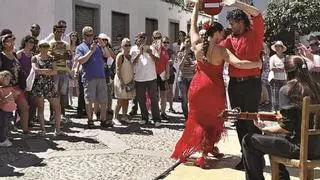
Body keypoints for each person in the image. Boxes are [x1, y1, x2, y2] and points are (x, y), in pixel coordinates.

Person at [171, 0, 262, 168]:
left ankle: (203, 152)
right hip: (215, 89)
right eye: (225, 29)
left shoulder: (197, 45)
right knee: (215, 120)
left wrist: (197, 8)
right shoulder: (223, 48)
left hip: (197, 87)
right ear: (218, 33)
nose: (228, 29)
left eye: (232, 24)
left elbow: (192, 28)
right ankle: (205, 151)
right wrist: (257, 64)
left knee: (197, 120)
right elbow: (239, 64)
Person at [242, 55, 320, 180]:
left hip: (300, 149)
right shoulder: (317, 88)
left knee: (248, 140)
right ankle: (281, 177)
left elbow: (286, 127)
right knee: (272, 137)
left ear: (286, 71)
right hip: (318, 148)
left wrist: (265, 128)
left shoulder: (287, 90)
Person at [219, 0, 265, 170]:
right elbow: (217, 51)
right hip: (234, 85)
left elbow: (257, 14)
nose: (230, 26)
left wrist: (236, 3)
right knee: (238, 120)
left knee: (251, 120)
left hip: (252, 84)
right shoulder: (229, 39)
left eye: (232, 23)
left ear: (241, 22)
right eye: (229, 24)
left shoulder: (255, 33)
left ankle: (256, 157)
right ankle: (245, 156)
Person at [75, 26, 113, 128]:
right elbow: (81, 60)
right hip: (89, 77)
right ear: (83, 36)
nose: (90, 37)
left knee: (103, 100)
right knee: (89, 100)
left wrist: (104, 45)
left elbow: (108, 55)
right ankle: (90, 120)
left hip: (101, 76)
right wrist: (91, 51)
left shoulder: (98, 46)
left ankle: (103, 120)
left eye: (91, 35)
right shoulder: (80, 47)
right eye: (87, 35)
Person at [31, 40, 65, 136]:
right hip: (39, 85)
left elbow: (55, 72)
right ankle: (43, 130)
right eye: (42, 46)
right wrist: (48, 70)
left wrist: (43, 71)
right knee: (41, 108)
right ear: (39, 47)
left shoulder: (52, 58)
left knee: (57, 107)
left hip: (49, 85)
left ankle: (57, 130)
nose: (44, 48)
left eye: (46, 46)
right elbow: (36, 71)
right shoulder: (35, 58)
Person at [0, 33, 29, 134]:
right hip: (7, 89)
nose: (11, 43)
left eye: (12, 41)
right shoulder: (1, 56)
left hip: (17, 87)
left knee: (24, 107)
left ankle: (25, 131)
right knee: (7, 112)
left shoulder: (15, 54)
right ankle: (6, 134)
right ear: (3, 43)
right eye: (8, 41)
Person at [131, 32, 161, 127]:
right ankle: (144, 117)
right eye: (140, 37)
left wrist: (150, 53)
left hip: (151, 78)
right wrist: (139, 53)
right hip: (139, 79)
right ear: (137, 38)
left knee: (154, 99)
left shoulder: (151, 48)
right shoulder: (133, 49)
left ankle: (156, 118)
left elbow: (157, 60)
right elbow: (133, 62)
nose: (142, 39)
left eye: (144, 37)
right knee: (141, 99)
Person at [113, 38, 135, 124]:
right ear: (122, 46)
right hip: (121, 80)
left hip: (129, 81)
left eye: (129, 45)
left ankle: (124, 116)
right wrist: (122, 82)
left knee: (126, 99)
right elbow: (118, 69)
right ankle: (115, 117)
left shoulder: (130, 56)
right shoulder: (120, 56)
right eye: (126, 45)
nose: (127, 47)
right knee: (120, 100)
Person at [269, 41, 287, 111]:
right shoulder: (273, 57)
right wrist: (281, 69)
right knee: (275, 95)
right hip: (275, 78)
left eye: (279, 46)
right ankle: (275, 111)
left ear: (282, 48)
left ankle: (283, 110)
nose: (277, 48)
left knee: (284, 95)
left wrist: (279, 69)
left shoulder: (286, 57)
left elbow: (288, 67)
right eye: (276, 46)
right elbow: (272, 68)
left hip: (284, 78)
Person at [0, 70, 17, 147]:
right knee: (3, 125)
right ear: (1, 79)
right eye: (6, 79)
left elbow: (15, 96)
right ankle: (2, 140)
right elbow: (1, 100)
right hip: (4, 111)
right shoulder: (1, 89)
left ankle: (6, 137)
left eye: (9, 79)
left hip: (10, 110)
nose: (8, 81)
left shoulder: (10, 87)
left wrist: (14, 94)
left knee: (7, 125)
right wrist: (6, 98)